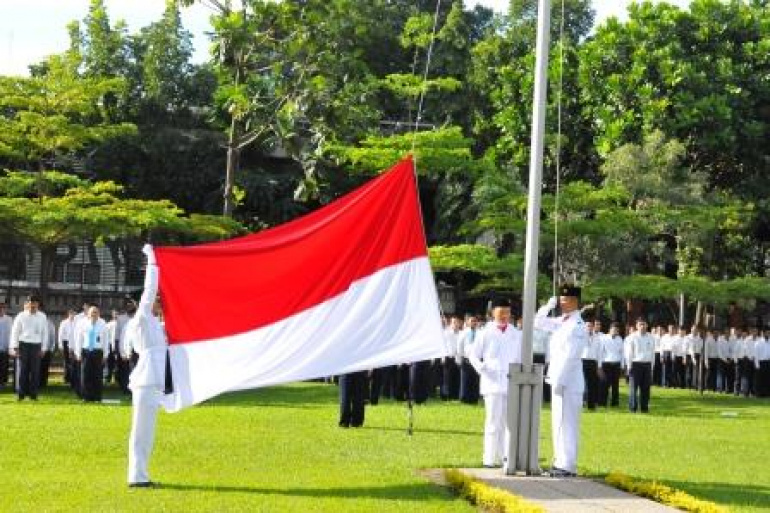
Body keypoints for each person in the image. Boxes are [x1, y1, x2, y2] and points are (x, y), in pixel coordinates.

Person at [125, 244, 168, 487]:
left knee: (147, 433)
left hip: (156, 381)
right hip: (146, 379)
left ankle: (140, 474)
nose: (156, 302)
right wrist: (153, 262)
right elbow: (149, 291)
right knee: (141, 432)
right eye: (154, 301)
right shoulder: (141, 319)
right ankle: (137, 477)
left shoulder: (154, 323)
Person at [534, 285, 587, 478]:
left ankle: (568, 464)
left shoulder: (577, 325)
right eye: (560, 299)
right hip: (557, 379)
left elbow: (572, 356)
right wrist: (548, 305)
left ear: (575, 301)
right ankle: (559, 461)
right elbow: (538, 322)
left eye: (565, 300)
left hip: (568, 382)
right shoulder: (562, 321)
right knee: (558, 422)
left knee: (568, 424)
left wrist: (559, 380)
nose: (562, 303)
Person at [469, 298, 522, 468]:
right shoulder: (485, 332)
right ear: (493, 313)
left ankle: (507, 457)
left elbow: (520, 358)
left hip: (510, 382)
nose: (504, 316)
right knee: (492, 421)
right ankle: (489, 458)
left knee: (509, 423)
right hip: (491, 383)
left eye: (507, 312)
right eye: (501, 312)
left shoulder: (516, 333)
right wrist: (483, 368)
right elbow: (473, 355)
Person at [9, 294, 48, 401]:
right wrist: (15, 347)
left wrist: (44, 348)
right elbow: (15, 332)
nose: (32, 304)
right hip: (23, 345)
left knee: (35, 371)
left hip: (36, 345)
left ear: (38, 304)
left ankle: (33, 394)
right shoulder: (21, 315)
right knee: (22, 370)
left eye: (35, 303)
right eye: (30, 302)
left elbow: (45, 333)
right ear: (27, 303)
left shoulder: (42, 316)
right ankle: (21, 393)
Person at [75, 305, 108, 402]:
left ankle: (97, 396)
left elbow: (106, 340)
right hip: (86, 351)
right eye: (92, 312)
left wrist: (106, 354)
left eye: (96, 312)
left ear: (99, 313)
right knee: (85, 374)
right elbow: (79, 339)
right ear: (88, 314)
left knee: (97, 375)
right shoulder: (82, 323)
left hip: (98, 352)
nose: (94, 314)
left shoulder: (103, 323)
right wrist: (78, 353)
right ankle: (86, 396)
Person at [625, 318, 655, 413]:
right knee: (634, 388)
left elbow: (652, 353)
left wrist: (652, 367)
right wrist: (629, 366)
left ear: (647, 325)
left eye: (644, 324)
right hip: (635, 364)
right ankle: (633, 408)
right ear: (637, 326)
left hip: (647, 364)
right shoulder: (632, 337)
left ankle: (644, 408)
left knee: (646, 388)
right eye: (640, 324)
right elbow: (629, 353)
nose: (642, 326)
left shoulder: (651, 337)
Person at [598, 322, 623, 407]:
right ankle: (602, 402)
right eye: (613, 329)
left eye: (617, 330)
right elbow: (600, 353)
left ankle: (615, 403)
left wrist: (622, 365)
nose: (615, 331)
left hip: (616, 364)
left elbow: (621, 353)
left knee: (615, 385)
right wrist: (599, 365)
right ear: (610, 329)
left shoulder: (620, 339)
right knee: (604, 384)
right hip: (606, 364)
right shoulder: (603, 338)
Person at [457, 315, 481, 404]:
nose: (473, 323)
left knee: (475, 380)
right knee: (465, 379)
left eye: (475, 321)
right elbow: (459, 346)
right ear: (467, 322)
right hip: (466, 358)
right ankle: (464, 398)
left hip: (476, 359)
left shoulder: (480, 333)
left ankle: (474, 398)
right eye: (471, 321)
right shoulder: (463, 333)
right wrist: (460, 357)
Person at [581, 320, 600, 410]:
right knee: (583, 383)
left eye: (590, 326)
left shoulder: (597, 337)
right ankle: (582, 401)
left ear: (593, 327)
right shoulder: (581, 336)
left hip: (593, 361)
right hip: (583, 361)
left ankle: (591, 404)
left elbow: (599, 352)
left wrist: (599, 365)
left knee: (592, 383)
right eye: (587, 326)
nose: (589, 328)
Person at [58, 309, 77, 385]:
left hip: (74, 343)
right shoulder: (64, 322)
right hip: (65, 342)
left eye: (74, 314)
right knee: (66, 361)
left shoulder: (77, 323)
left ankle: (73, 378)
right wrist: (60, 345)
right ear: (68, 314)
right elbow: (60, 335)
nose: (72, 315)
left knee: (73, 361)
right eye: (71, 314)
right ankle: (66, 378)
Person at [0, 301, 11, 387]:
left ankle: (4, 382)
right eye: (0, 308)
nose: (1, 309)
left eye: (3, 308)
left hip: (5, 346)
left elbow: (11, 333)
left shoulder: (9, 319)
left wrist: (10, 346)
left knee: (4, 365)